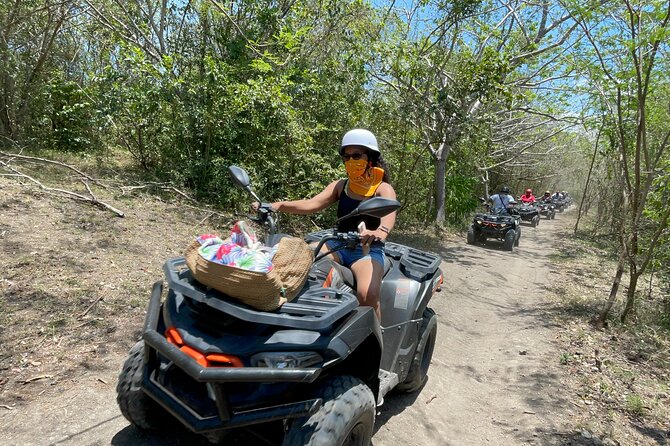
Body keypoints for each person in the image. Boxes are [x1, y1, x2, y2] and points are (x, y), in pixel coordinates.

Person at [264, 129, 396, 320]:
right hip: (337, 243)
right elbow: (311, 204)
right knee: (295, 262)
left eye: (357, 155)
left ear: (371, 157)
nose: (351, 161)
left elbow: (389, 212)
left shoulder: (382, 188)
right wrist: (278, 205)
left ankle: (376, 343)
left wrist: (380, 232)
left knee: (367, 295)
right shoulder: (342, 185)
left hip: (366, 249)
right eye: (347, 157)